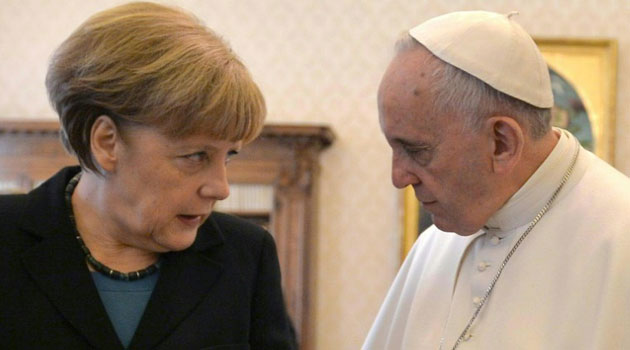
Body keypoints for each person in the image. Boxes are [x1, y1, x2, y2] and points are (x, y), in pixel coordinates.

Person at [0, 2, 296, 349]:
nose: (221, 188)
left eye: (227, 156)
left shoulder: (247, 254)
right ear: (107, 142)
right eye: (195, 155)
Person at [363, 10, 630, 350]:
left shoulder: (621, 241)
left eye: (416, 150)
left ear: (502, 142)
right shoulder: (433, 247)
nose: (397, 177)